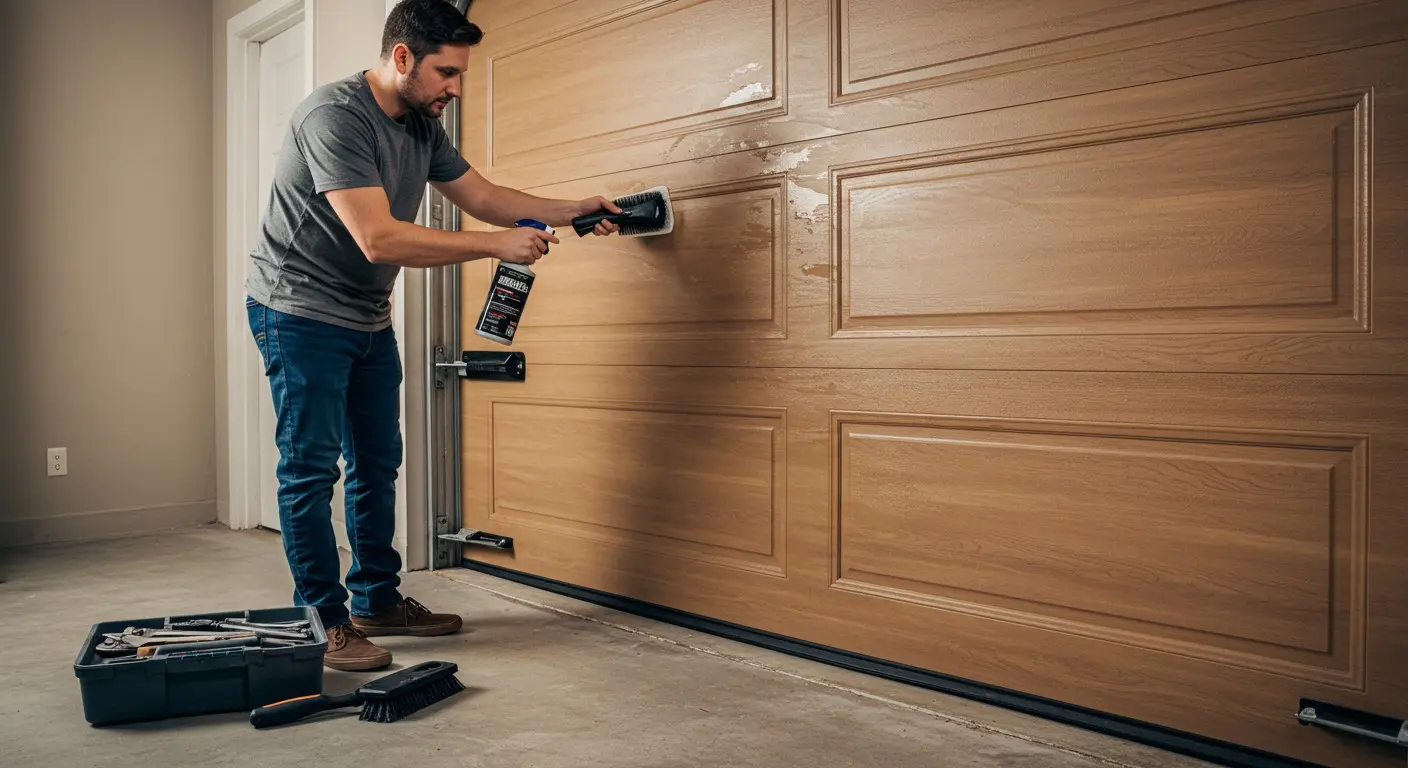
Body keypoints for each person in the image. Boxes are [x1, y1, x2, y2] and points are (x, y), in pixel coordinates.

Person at [244, 0, 621, 671]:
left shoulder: (422, 123)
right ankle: (325, 623)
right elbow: (377, 236)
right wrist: (494, 247)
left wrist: (574, 209)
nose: (455, 87)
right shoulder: (333, 116)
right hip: (298, 312)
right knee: (309, 470)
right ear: (401, 58)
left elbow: (483, 195)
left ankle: (377, 600)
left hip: (366, 317)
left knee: (377, 462)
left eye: (460, 74)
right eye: (446, 72)